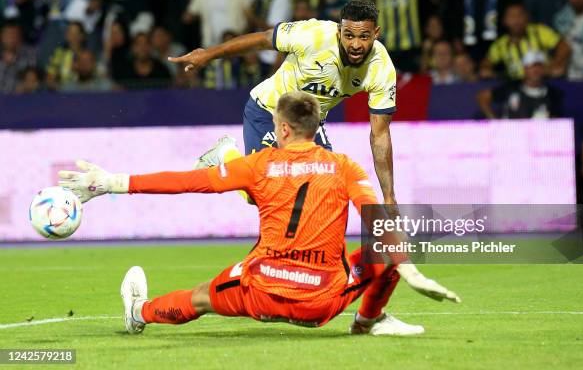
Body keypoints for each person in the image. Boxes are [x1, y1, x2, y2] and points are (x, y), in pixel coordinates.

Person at [58, 92, 459, 336]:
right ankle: (365, 323)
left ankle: (138, 313)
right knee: (386, 250)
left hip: (261, 292)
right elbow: (380, 221)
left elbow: (187, 181)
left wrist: (112, 182)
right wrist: (408, 268)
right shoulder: (345, 167)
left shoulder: (260, 165)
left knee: (199, 299)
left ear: (283, 129)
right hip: (324, 300)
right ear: (314, 127)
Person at [169, 0, 400, 206]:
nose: (356, 45)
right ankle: (226, 153)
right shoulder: (313, 35)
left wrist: (389, 197)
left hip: (310, 124)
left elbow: (379, 135)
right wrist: (209, 54)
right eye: (349, 35)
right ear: (339, 31)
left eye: (364, 36)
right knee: (257, 194)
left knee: (325, 187)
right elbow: (262, 40)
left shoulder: (381, 69)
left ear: (376, 33)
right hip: (269, 111)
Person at [480, 3, 570, 80]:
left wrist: (552, 66)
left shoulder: (538, 32)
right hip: (516, 87)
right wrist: (487, 70)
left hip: (542, 82)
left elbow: (564, 47)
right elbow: (487, 63)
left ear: (527, 17)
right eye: (512, 16)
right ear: (505, 21)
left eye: (520, 15)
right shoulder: (500, 45)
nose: (516, 20)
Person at [477, 51, 563, 119]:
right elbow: (482, 96)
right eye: (531, 66)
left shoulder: (552, 94)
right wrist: (494, 121)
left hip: (538, 137)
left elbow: (555, 122)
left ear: (544, 69)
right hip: (510, 137)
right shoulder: (511, 87)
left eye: (539, 66)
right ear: (524, 69)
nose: (535, 70)